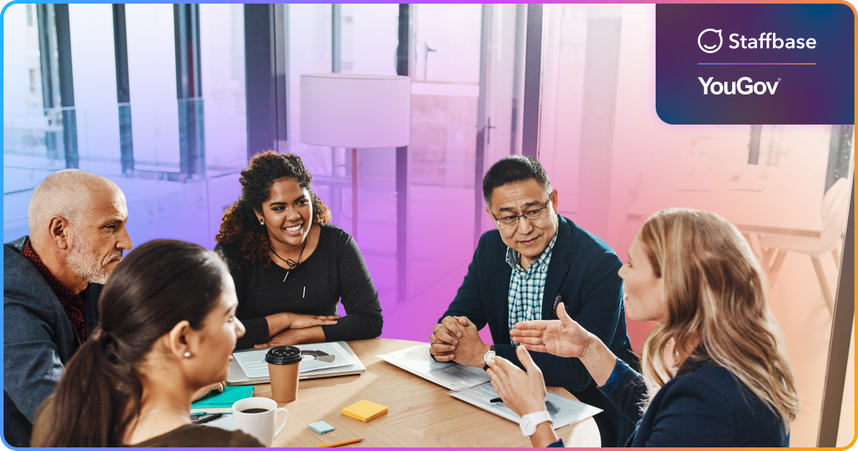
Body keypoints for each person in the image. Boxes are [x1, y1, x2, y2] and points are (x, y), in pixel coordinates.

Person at [489, 208, 799, 447]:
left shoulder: (708, 401)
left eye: (632, 263)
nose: (622, 272)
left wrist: (534, 416)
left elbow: (683, 413)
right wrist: (589, 349)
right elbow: (659, 412)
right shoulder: (726, 360)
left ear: (674, 282)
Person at [429, 156, 636, 446]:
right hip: (508, 399)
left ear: (553, 200)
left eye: (534, 211)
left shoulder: (599, 264)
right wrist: (447, 335)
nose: (524, 228)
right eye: (509, 217)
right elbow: (461, 316)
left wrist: (483, 354)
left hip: (587, 408)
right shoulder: (490, 248)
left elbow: (580, 373)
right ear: (492, 216)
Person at [31, 240, 263, 447]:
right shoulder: (232, 445)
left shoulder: (55, 414)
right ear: (182, 339)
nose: (240, 329)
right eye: (229, 317)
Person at [4, 169, 133, 446]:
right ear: (60, 232)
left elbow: (132, 359)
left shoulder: (95, 275)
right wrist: (167, 394)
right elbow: (62, 412)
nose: (127, 243)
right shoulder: (8, 293)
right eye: (111, 227)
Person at [215, 151, 383, 349]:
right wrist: (286, 320)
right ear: (259, 213)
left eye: (301, 202)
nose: (294, 216)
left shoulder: (337, 243)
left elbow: (370, 320)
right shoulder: (232, 252)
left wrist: (299, 337)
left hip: (322, 359)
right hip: (251, 361)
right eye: (279, 208)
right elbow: (215, 331)